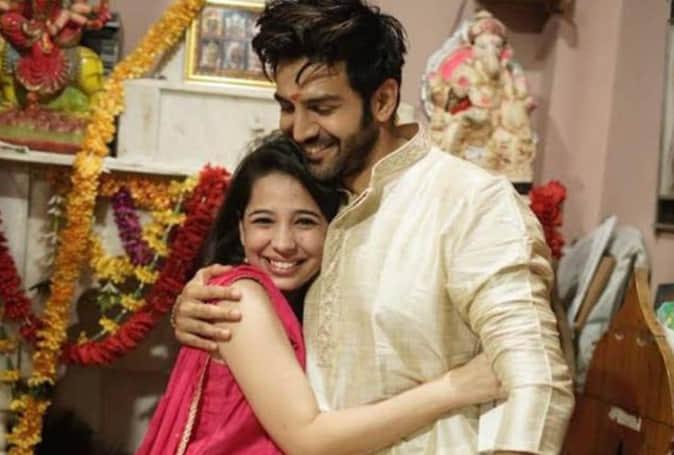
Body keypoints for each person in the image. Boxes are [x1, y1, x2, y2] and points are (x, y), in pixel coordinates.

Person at [174, 1, 575, 453]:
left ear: (382, 101)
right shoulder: (320, 198)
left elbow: (535, 380)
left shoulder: (469, 203)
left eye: (322, 107)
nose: (300, 129)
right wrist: (195, 304)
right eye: (287, 107)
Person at [138, 134, 503, 455]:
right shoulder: (241, 300)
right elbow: (308, 440)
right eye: (263, 221)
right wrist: (456, 388)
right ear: (241, 227)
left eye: (305, 222)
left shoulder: (315, 298)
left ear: (337, 227)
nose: (283, 243)